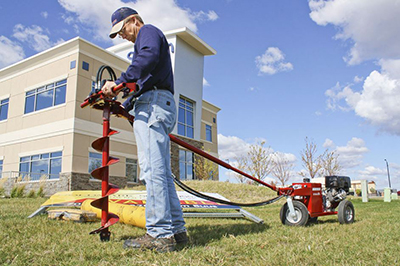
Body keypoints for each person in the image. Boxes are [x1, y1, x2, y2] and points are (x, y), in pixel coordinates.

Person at [102, 7, 187, 252]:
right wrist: (126, 102)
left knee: (152, 172)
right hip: (158, 103)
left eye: (122, 30)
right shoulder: (148, 41)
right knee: (162, 174)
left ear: (135, 21)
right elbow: (144, 81)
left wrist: (119, 82)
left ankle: (160, 234)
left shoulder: (147, 32)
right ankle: (177, 231)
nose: (122, 36)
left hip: (153, 105)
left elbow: (145, 59)